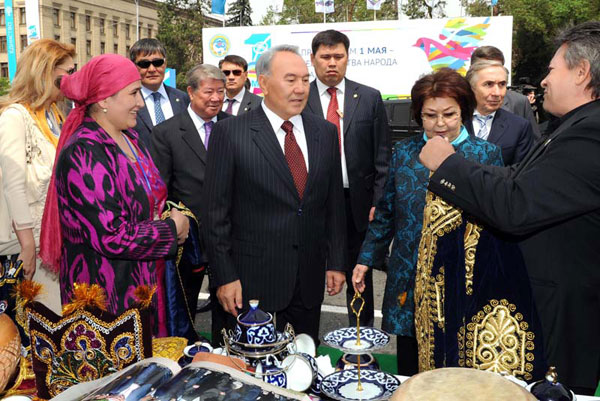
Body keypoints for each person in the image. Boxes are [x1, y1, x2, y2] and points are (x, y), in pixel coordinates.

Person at [419, 21, 600, 394]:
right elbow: (516, 177)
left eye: (551, 69)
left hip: (557, 318)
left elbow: (516, 205)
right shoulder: (570, 127)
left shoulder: (591, 132)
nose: (544, 81)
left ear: (582, 72)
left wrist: (447, 164)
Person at [352, 68, 503, 375]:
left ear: (463, 112)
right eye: (430, 115)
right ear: (418, 115)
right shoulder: (404, 153)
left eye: (449, 114)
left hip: (463, 279)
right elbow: (386, 213)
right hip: (409, 274)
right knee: (410, 364)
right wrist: (365, 259)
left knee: (457, 366)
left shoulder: (485, 155)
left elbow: (497, 217)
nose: (440, 124)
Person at [202, 45, 347, 343]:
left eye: (305, 80)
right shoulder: (231, 133)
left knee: (303, 360)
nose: (300, 89)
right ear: (264, 83)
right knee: (245, 364)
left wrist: (335, 262)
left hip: (307, 280)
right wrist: (225, 276)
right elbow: (215, 215)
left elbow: (333, 204)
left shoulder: (325, 132)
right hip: (250, 282)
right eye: (290, 80)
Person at [40, 54, 190, 336]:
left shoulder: (130, 138)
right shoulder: (84, 152)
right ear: (104, 100)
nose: (141, 103)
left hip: (143, 283)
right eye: (133, 93)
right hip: (107, 297)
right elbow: (111, 236)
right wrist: (171, 229)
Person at [306, 29, 391, 328]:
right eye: (325, 56)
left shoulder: (368, 97)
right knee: (310, 274)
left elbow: (383, 156)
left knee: (359, 276)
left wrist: (379, 202)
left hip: (358, 205)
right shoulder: (300, 98)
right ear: (313, 58)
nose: (332, 63)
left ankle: (360, 338)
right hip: (313, 203)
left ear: (347, 57)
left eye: (338, 56)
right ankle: (305, 338)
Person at [150, 64, 230, 335]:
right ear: (191, 92)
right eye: (209, 92)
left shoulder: (235, 126)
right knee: (184, 310)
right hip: (189, 240)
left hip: (229, 236)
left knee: (229, 309)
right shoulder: (166, 132)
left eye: (220, 92)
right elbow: (161, 189)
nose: (216, 98)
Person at [0, 39, 75, 315]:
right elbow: (13, 185)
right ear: (45, 71)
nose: (72, 78)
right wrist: (28, 245)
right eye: (68, 72)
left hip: (54, 242)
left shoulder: (56, 114)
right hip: (30, 244)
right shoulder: (15, 116)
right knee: (38, 323)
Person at [465, 60, 535, 165]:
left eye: (502, 84)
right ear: (471, 88)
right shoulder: (453, 120)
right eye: (488, 84)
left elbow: (520, 171)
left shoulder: (519, 127)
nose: (497, 93)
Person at [470, 45, 541, 138]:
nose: (496, 93)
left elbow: (533, 142)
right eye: (483, 67)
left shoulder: (519, 102)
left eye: (496, 67)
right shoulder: (456, 101)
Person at [130, 38, 189, 147]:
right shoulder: (128, 101)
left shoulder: (183, 98)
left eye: (157, 63)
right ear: (134, 66)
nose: (152, 69)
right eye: (144, 64)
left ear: (165, 64)